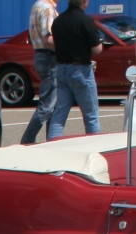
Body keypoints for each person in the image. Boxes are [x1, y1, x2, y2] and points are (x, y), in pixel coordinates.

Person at [45, 0, 104, 139]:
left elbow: (54, 43)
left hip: (62, 69)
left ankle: (53, 146)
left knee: (59, 115)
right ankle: (94, 147)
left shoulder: (58, 21)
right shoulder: (85, 20)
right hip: (81, 70)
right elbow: (97, 48)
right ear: (84, 2)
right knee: (91, 116)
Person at [19, 0, 62, 143]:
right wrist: (66, 49)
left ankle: (52, 139)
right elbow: (48, 39)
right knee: (47, 105)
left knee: (53, 104)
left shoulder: (37, 5)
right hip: (49, 56)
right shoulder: (47, 9)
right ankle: (27, 140)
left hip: (41, 55)